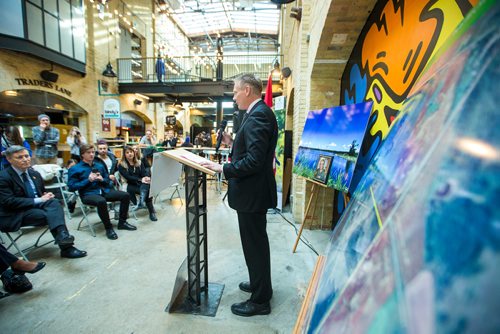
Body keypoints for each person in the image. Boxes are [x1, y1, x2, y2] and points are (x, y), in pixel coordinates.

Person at [200, 73, 278, 317]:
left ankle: (260, 300)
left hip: (252, 194)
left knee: (255, 245)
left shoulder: (258, 116)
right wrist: (231, 141)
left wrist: (223, 168)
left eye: (234, 92)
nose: (233, 98)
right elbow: (251, 149)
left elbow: (254, 161)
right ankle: (259, 285)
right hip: (252, 193)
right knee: (255, 244)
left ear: (247, 90)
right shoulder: (257, 113)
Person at [0, 145, 87, 259]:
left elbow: (41, 192)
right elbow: (9, 202)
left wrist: (45, 195)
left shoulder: (34, 173)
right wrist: (40, 199)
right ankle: (66, 247)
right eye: (20, 157)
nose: (25, 159)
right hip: (15, 213)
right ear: (9, 159)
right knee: (51, 214)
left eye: (27, 156)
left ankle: (62, 237)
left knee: (54, 202)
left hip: (35, 206)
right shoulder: (3, 177)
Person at [68, 144, 136, 240]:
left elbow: (108, 181)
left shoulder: (99, 166)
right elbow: (71, 187)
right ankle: (108, 228)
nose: (92, 155)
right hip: (88, 194)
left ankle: (122, 222)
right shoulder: (75, 169)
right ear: (82, 154)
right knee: (101, 201)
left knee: (125, 195)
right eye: (88, 153)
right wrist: (88, 180)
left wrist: (102, 179)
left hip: (104, 191)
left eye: (93, 152)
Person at [118, 146, 157, 221]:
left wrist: (146, 177)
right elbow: (128, 177)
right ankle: (151, 211)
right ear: (124, 154)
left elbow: (143, 173)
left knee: (148, 187)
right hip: (130, 184)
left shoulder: (139, 162)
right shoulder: (121, 165)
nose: (130, 154)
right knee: (148, 190)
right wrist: (140, 179)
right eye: (127, 152)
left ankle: (143, 203)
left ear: (134, 153)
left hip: (140, 183)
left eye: (131, 152)